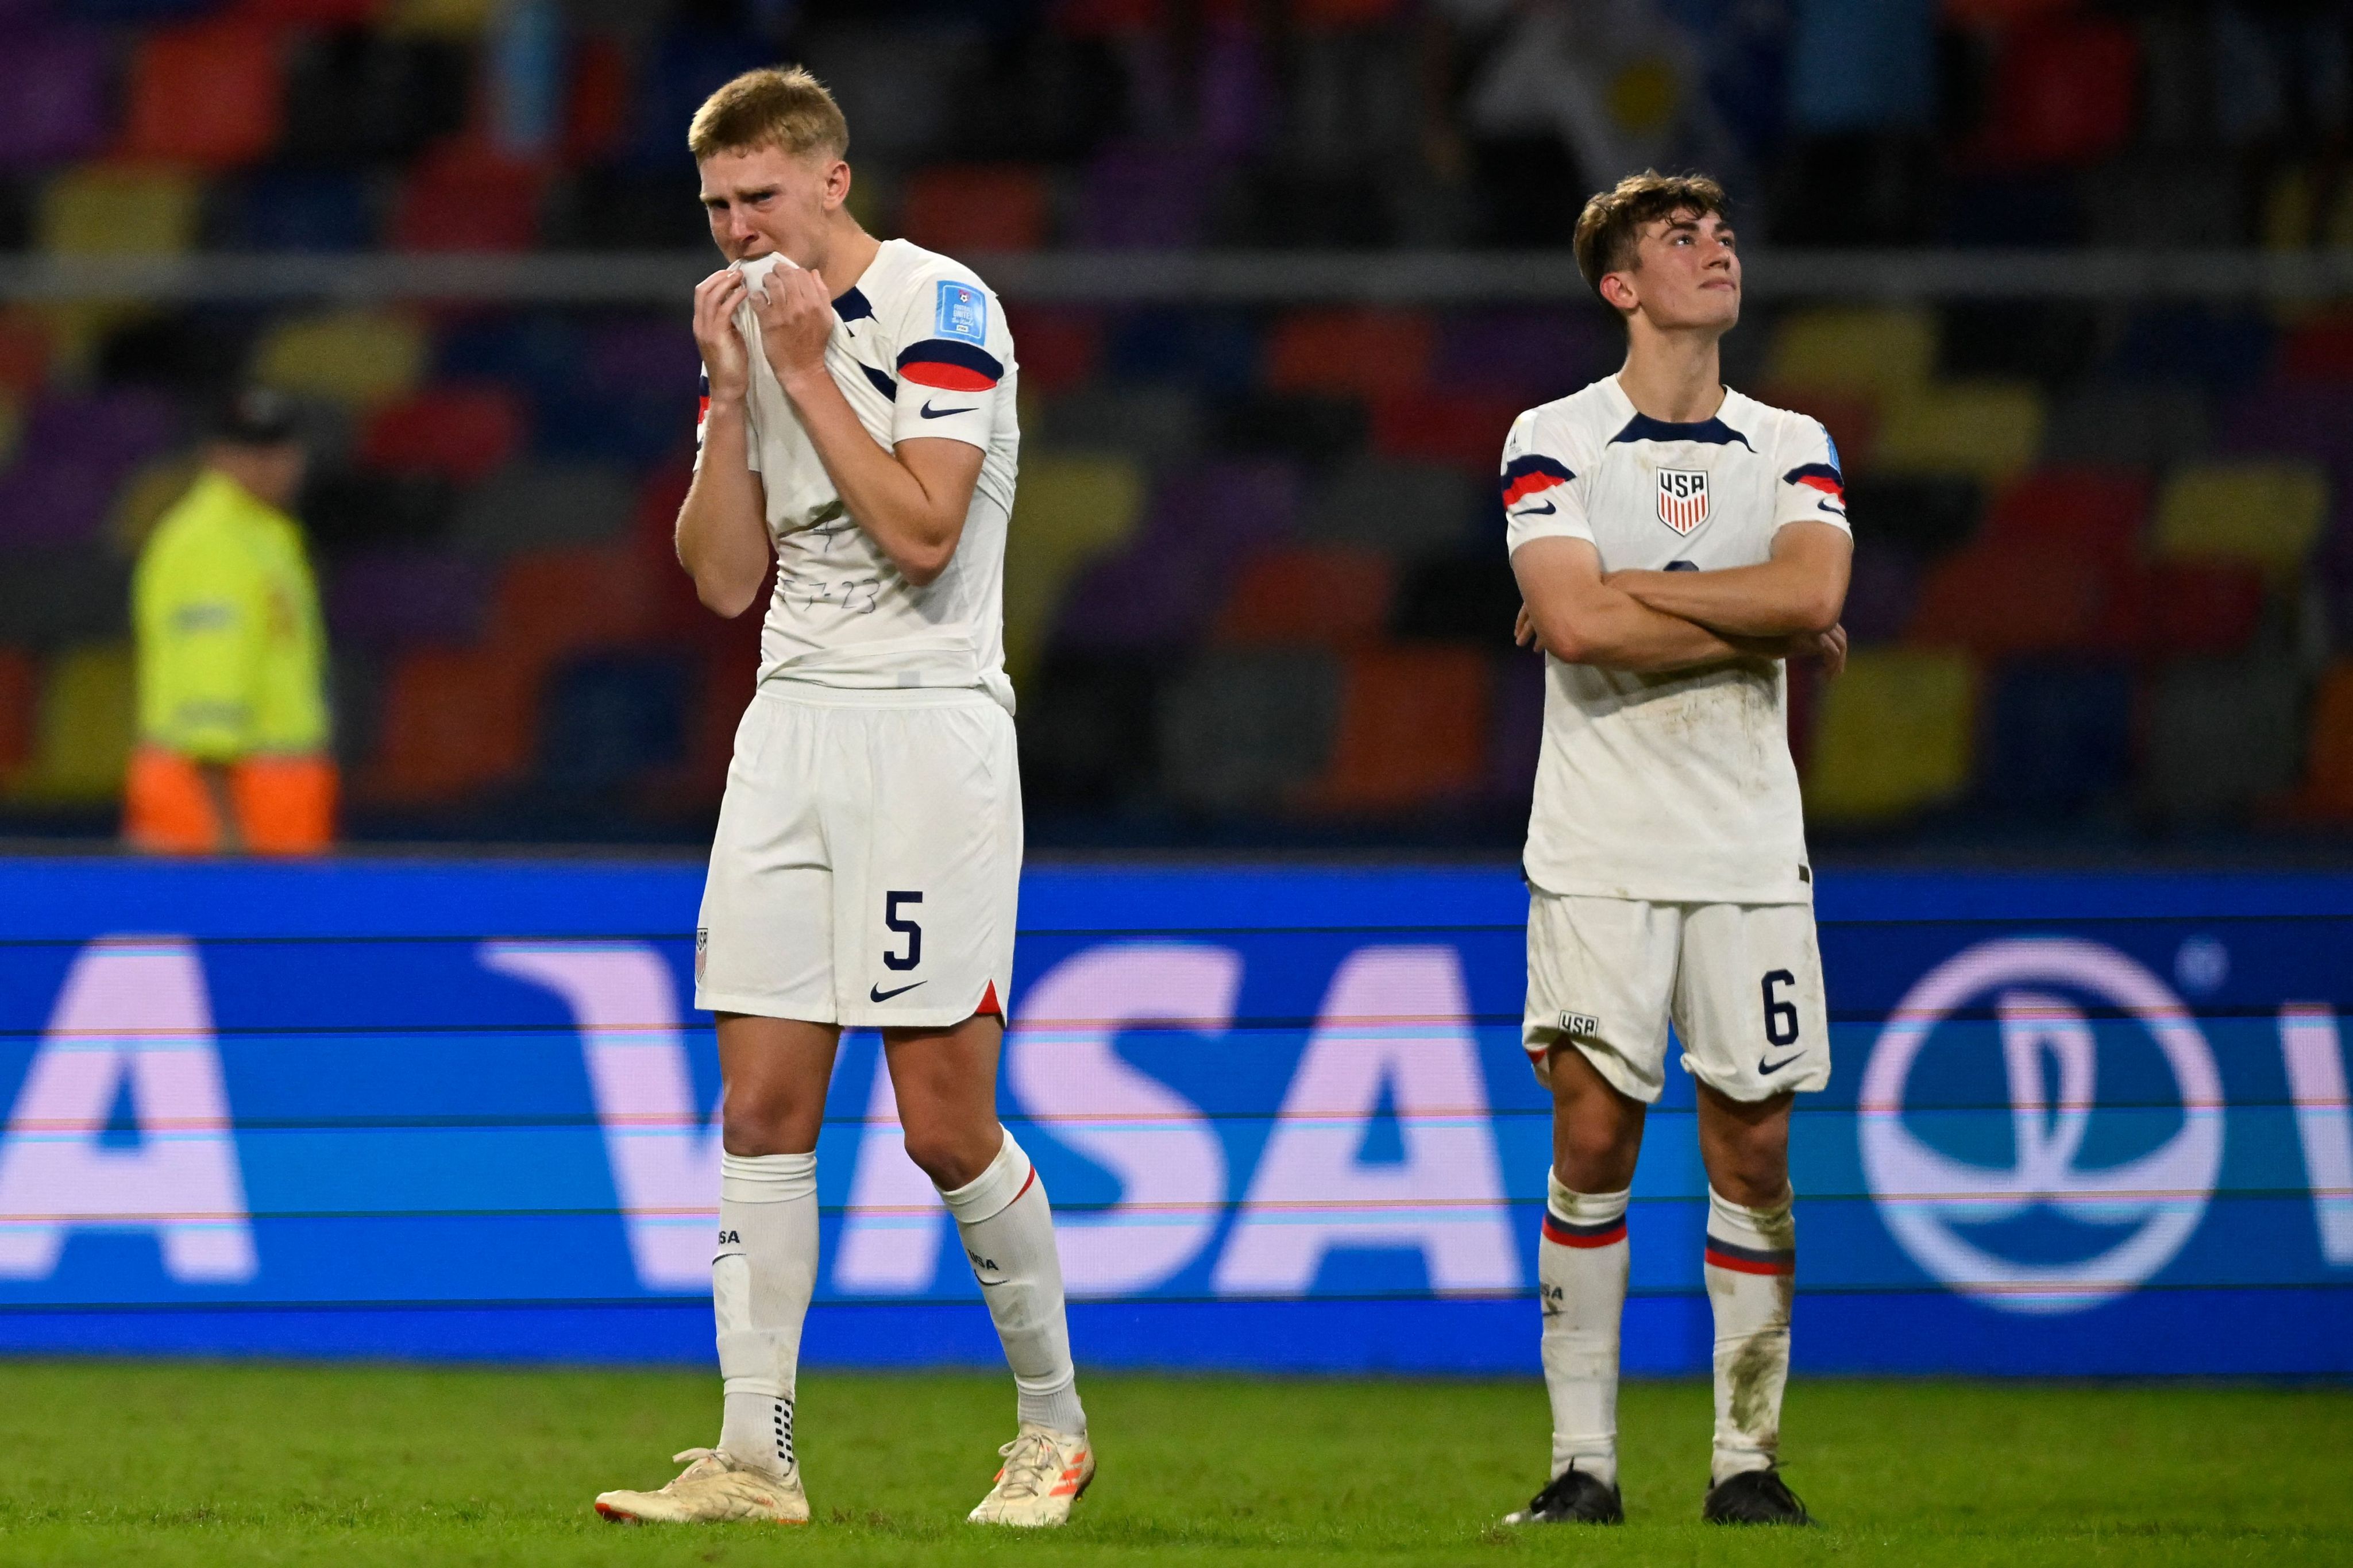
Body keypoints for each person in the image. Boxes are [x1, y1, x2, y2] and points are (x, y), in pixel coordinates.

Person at [591, 67, 1090, 1530]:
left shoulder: (946, 309)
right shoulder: (748, 328)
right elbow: (725, 577)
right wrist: (741, 390)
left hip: (928, 732)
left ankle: (1051, 1429)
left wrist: (806, 371)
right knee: (759, 1102)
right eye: (716, 208)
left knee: (943, 1121)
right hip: (790, 725)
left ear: (830, 179)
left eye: (760, 198)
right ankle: (754, 1459)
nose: (739, 231)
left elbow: (931, 536)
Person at [1498, 169, 1850, 1528]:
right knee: (1591, 1138)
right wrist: (1743, 613)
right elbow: (1578, 634)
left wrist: (1623, 588)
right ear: (1621, 287)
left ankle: (1744, 1465)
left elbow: (1815, 590)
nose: (1716, 249)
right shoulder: (1554, 436)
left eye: (1721, 231)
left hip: (1750, 847)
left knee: (1752, 1152)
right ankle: (1582, 1466)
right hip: (1596, 845)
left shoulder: (1794, 438)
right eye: (1678, 238)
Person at [126, 387, 334, 856]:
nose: (268, 464)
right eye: (250, 450)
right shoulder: (210, 542)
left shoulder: (268, 534)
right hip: (221, 801)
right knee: (219, 926)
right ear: (215, 455)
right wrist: (225, 825)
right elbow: (208, 688)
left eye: (279, 448)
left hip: (276, 795)